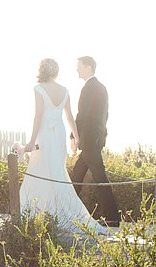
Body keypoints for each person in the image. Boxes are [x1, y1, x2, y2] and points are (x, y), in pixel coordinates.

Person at [17, 58, 109, 233]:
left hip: (44, 133)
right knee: (58, 171)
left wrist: (31, 141)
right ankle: (59, 209)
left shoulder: (39, 89)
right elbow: (69, 117)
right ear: (56, 71)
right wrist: (76, 136)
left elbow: (38, 116)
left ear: (42, 70)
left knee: (40, 170)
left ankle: (40, 211)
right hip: (58, 134)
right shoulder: (65, 90)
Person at [69, 56, 120, 226]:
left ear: (88, 67)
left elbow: (82, 115)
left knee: (100, 178)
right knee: (77, 175)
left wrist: (74, 137)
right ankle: (69, 210)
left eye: (79, 66)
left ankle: (113, 218)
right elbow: (104, 116)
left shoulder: (89, 88)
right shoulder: (101, 88)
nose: (77, 69)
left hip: (90, 141)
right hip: (94, 140)